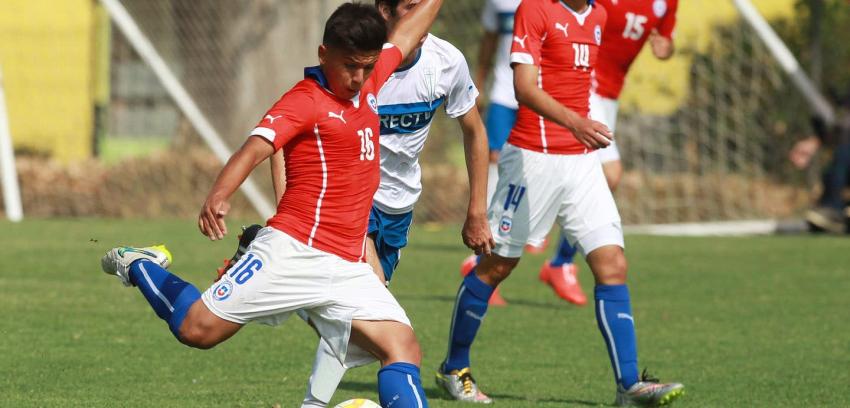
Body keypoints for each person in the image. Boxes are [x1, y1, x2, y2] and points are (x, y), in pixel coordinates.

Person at [99, 2, 443, 407]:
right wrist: (219, 195)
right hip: (293, 250)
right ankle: (139, 263)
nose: (359, 77)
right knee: (198, 330)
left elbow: (404, 35)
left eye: (367, 66)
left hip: (348, 265)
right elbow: (255, 148)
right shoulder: (305, 100)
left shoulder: (369, 82)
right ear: (322, 54)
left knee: (403, 348)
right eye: (350, 65)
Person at [436, 0, 684, 405]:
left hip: (581, 165)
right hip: (532, 161)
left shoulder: (600, 15)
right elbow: (525, 88)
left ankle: (628, 385)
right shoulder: (534, 10)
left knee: (612, 264)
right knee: (497, 265)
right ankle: (453, 368)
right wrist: (577, 122)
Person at [271, 0, 494, 405]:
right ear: (383, 10)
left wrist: (477, 209)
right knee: (376, 317)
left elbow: (475, 131)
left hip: (397, 209)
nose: (420, 15)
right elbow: (286, 133)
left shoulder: (446, 62)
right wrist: (288, 219)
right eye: (410, 6)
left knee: (356, 319)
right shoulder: (357, 65)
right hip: (347, 200)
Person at [541, 0, 679, 306]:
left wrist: (665, 48)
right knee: (609, 173)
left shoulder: (667, 3)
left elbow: (667, 40)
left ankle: (504, 253)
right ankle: (560, 262)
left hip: (610, 96)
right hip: (582, 85)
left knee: (568, 174)